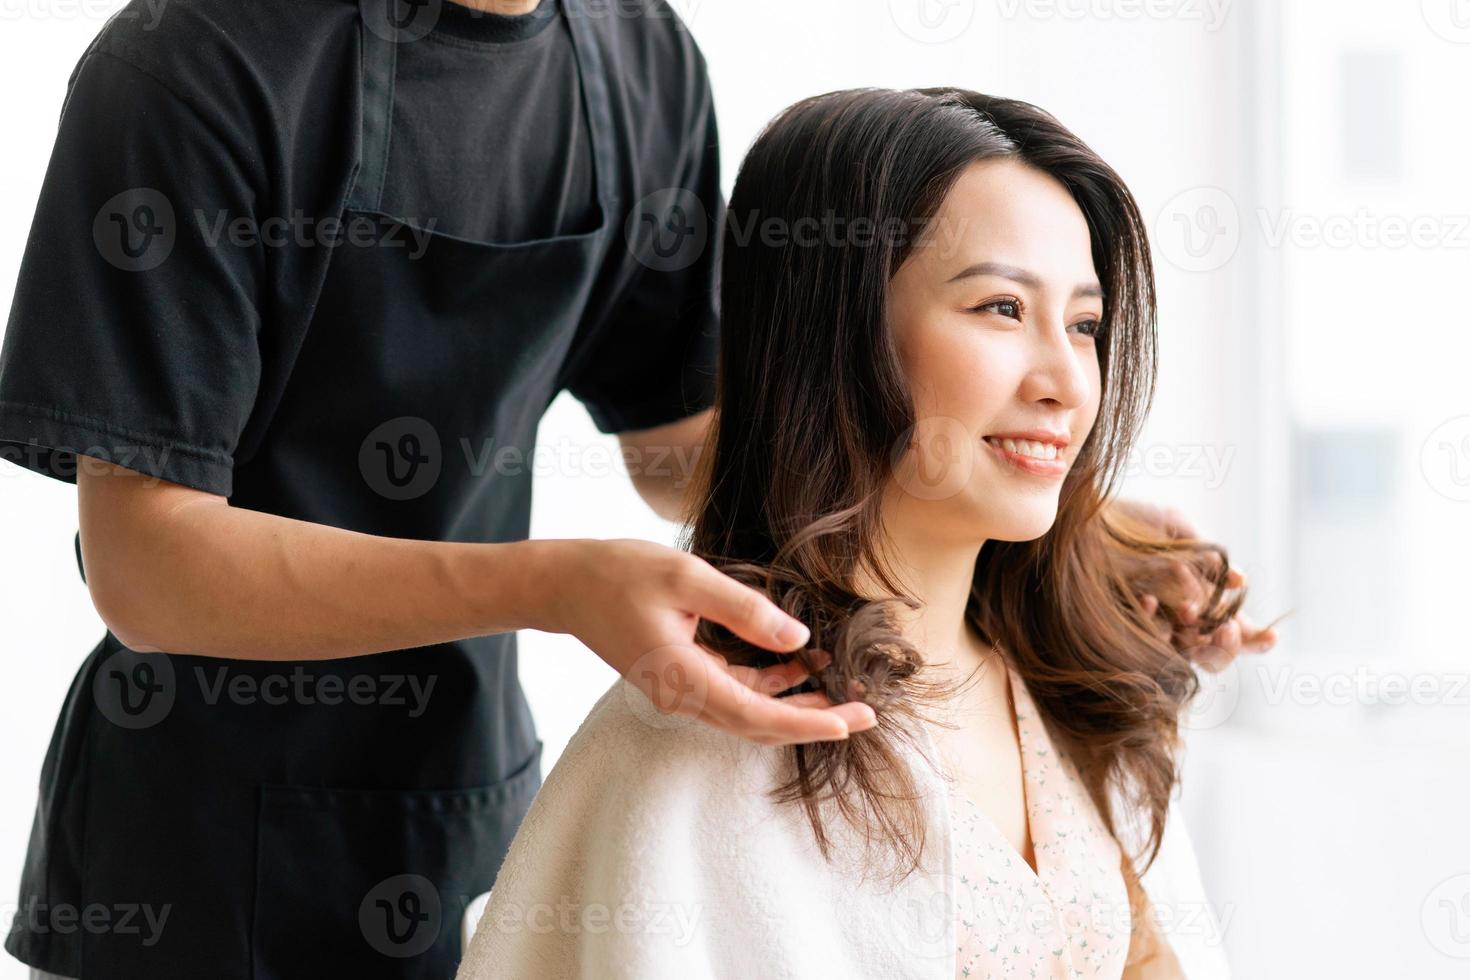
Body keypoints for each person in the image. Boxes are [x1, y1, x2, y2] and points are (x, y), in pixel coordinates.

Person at [0, 2, 1272, 978]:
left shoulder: (633, 57)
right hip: (198, 863)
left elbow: (703, 445)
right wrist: (563, 584)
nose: (1065, 363)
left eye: (1084, 325)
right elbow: (148, 567)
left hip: (461, 797)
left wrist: (1060, 519)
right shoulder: (188, 68)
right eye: (1000, 305)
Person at [455, 86, 1281, 979]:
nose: (1067, 384)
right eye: (1001, 309)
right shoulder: (698, 746)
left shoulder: (1071, 687)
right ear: (838, 338)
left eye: (1083, 324)